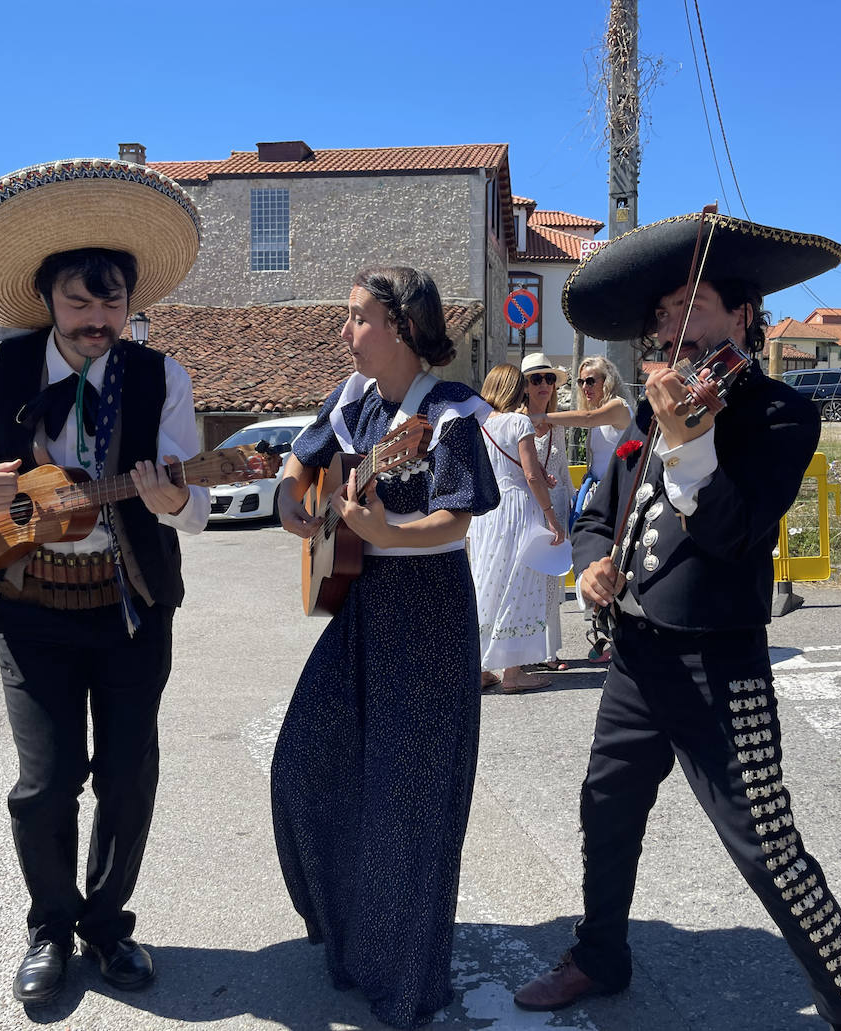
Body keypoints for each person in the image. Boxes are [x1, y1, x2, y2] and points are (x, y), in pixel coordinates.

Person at [514, 213, 841, 1031]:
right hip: (637, 655)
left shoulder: (779, 415)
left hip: (720, 664)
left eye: (693, 304)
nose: (672, 324)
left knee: (770, 849)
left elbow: (731, 531)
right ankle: (600, 954)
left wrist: (691, 442)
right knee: (606, 803)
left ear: (743, 317)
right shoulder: (652, 414)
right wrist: (590, 562)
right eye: (663, 313)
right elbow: (597, 509)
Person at [0, 159, 206, 1006]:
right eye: (81, 302)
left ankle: (107, 924)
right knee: (45, 781)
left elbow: (197, 507)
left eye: (113, 303)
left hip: (132, 605)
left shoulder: (160, 377)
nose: (99, 320)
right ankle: (49, 925)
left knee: (129, 773)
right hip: (30, 608)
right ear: (49, 300)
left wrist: (176, 494)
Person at [272, 265, 500, 1028]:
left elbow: (458, 519)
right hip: (363, 605)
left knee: (411, 803)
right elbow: (301, 459)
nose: (346, 331)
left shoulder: (452, 413)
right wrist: (291, 498)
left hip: (429, 616)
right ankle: (351, 937)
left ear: (402, 327)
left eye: (359, 318)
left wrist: (387, 530)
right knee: (306, 762)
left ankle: (403, 976)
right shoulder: (352, 398)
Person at [533, 354, 636, 662]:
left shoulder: (616, 407)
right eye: (581, 381)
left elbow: (588, 420)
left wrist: (543, 417)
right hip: (600, 498)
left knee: (614, 566)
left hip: (620, 498)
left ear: (608, 381)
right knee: (594, 565)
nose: (585, 386)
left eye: (591, 380)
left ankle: (618, 636)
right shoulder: (598, 412)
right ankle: (606, 635)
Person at [471, 363, 566, 693]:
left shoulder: (480, 423)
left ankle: (481, 669)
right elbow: (528, 475)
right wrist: (551, 516)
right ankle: (513, 674)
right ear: (517, 388)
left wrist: (541, 475)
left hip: (486, 513)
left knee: (488, 582)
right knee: (520, 582)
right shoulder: (519, 421)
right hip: (517, 509)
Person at [519, 353, 573, 670]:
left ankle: (549, 651)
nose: (544, 385)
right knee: (527, 582)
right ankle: (524, 651)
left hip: (556, 509)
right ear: (524, 385)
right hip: (528, 510)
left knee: (552, 581)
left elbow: (563, 470)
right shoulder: (516, 422)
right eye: (536, 379)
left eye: (549, 379)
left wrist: (569, 510)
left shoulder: (558, 424)